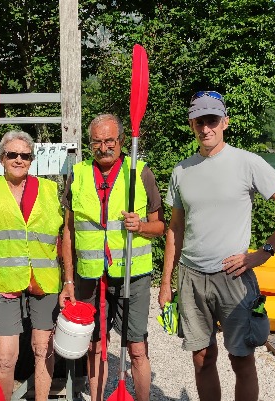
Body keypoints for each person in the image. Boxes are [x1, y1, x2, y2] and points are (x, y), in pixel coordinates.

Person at [159, 91, 275, 401]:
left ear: (225, 122)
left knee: (241, 359)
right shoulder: (181, 170)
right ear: (191, 124)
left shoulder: (247, 162)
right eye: (199, 121)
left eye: (212, 120)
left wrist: (263, 254)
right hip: (190, 277)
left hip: (234, 276)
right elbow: (175, 228)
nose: (206, 128)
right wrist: (165, 283)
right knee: (201, 358)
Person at [60, 114, 165, 401]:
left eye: (109, 140)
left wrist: (140, 226)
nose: (103, 147)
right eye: (97, 141)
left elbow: (160, 227)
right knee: (95, 346)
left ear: (121, 141)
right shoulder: (78, 174)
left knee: (137, 348)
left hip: (133, 274)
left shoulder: (140, 172)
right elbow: (68, 231)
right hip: (90, 274)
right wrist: (68, 279)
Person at [0, 130, 64, 401]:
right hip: (5, 280)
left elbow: (62, 235)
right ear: (2, 158)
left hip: (44, 279)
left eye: (25, 155)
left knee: (42, 348)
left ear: (32, 160)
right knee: (6, 356)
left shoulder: (49, 190)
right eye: (12, 154)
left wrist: (68, 279)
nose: (19, 160)